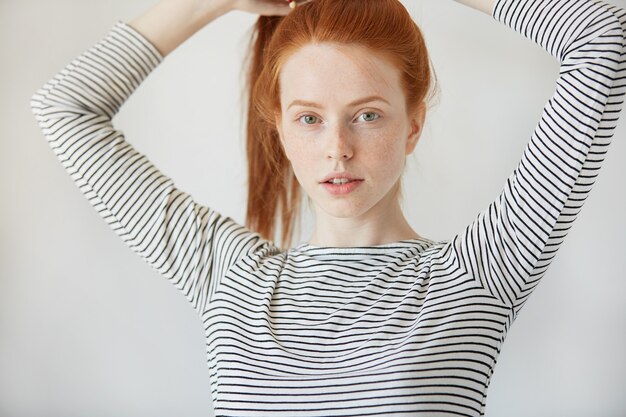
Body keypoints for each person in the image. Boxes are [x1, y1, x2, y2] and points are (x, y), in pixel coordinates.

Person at [30, 0, 625, 415]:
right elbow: (64, 109)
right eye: (309, 119)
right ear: (282, 132)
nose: (337, 148)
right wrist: (207, 3)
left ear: (414, 124)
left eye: (368, 114)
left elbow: (602, 36)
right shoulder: (230, 278)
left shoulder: (478, 274)